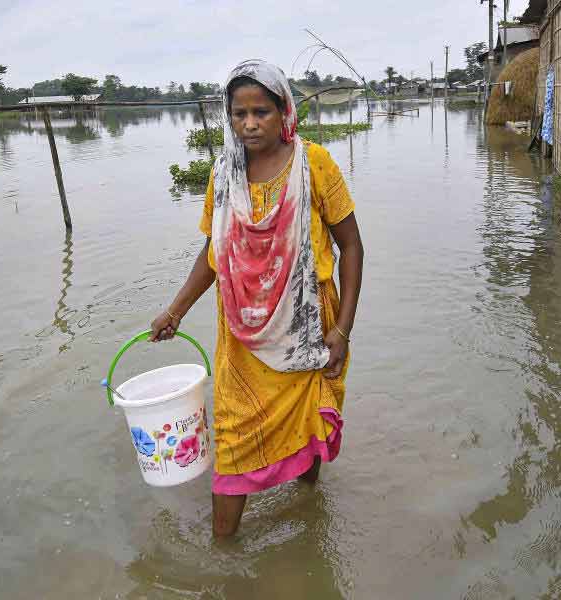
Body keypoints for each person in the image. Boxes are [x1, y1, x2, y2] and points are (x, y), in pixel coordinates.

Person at [150, 59, 363, 537]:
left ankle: (311, 522)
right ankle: (223, 552)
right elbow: (214, 252)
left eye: (261, 112)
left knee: (307, 424)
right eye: (239, 113)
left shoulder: (315, 165)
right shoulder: (223, 174)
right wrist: (175, 310)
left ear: (283, 111)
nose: (249, 123)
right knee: (232, 436)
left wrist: (343, 329)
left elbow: (351, 244)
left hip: (308, 328)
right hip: (243, 338)